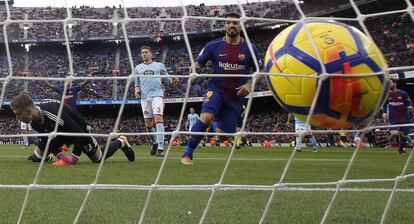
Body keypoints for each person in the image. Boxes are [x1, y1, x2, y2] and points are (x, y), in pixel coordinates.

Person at [181, 12, 263, 165]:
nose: (232, 25)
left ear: (241, 25)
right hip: (217, 88)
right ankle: (187, 154)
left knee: (223, 136)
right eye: (229, 22)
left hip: (236, 95)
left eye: (236, 23)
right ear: (224, 25)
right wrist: (195, 70)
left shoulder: (250, 48)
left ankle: (217, 120)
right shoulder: (213, 45)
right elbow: (198, 63)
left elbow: (260, 71)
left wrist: (249, 84)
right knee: (205, 117)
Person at [10, 93, 135, 166]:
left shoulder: (53, 115)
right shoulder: (35, 123)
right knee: (43, 143)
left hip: (80, 129)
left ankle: (121, 141)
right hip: (60, 133)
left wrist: (73, 159)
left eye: (18, 114)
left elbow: (79, 134)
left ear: (28, 111)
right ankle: (43, 156)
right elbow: (49, 141)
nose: (17, 117)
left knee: (98, 159)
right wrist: (61, 157)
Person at [134, 46, 178, 157]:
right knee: (148, 124)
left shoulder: (159, 66)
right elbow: (137, 83)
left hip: (157, 96)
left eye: (146, 52)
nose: (144, 54)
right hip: (144, 98)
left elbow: (168, 78)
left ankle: (160, 148)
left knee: (158, 119)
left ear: (151, 54)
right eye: (142, 52)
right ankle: (154, 143)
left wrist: (173, 80)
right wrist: (137, 89)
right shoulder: (138, 68)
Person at [382, 79, 414, 155]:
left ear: (395, 83)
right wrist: (384, 113)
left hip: (405, 118)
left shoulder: (403, 93)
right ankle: (409, 142)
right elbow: (384, 105)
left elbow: (410, 103)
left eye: (390, 83)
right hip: (393, 118)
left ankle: (400, 152)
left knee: (403, 137)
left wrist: (410, 107)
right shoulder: (386, 94)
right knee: (394, 133)